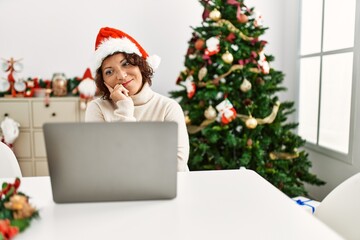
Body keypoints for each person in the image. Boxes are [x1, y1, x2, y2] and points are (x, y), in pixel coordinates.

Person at [85, 27, 190, 172]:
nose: (121, 76)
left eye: (126, 64)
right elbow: (100, 164)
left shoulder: (168, 107)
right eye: (109, 71)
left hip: (164, 191)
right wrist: (125, 109)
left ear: (140, 65)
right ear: (103, 81)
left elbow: (176, 165)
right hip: (118, 191)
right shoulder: (97, 108)